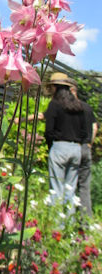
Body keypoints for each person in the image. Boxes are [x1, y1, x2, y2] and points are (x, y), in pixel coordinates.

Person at [44, 73, 87, 214]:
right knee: (70, 188)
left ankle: (57, 226)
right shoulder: (78, 105)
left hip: (59, 147)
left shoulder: (54, 104)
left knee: (57, 188)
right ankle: (69, 223)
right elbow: (84, 131)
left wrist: (52, 147)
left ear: (55, 87)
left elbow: (49, 130)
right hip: (76, 149)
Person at [67, 78, 98, 216]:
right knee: (85, 186)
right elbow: (95, 126)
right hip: (86, 148)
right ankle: (86, 222)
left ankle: (69, 219)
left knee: (70, 185)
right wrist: (90, 143)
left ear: (72, 90)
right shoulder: (87, 107)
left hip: (74, 147)